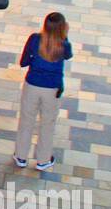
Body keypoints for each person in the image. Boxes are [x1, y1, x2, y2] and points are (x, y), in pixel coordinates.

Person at [15, 12, 72, 171]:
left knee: (26, 120)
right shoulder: (63, 44)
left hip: (32, 84)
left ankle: (21, 156)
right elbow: (69, 56)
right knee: (48, 123)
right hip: (52, 88)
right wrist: (64, 36)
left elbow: (23, 62)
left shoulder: (34, 39)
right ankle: (43, 159)